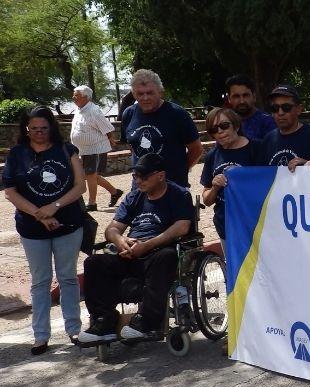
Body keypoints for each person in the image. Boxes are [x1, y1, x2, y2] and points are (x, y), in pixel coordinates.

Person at [78, 154, 195, 343]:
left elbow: (182, 226)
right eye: (135, 176)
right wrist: (121, 241)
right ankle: (104, 320)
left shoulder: (179, 194)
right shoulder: (134, 197)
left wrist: (148, 245)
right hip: (131, 251)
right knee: (94, 263)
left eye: (144, 177)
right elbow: (112, 229)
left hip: (158, 250)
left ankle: (148, 321)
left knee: (166, 257)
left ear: (160, 175)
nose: (138, 181)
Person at [2, 107, 86, 355]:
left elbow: (80, 185)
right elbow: (10, 191)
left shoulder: (66, 150)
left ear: (52, 128)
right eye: (34, 129)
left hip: (67, 223)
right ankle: (40, 335)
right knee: (40, 281)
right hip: (32, 227)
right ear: (26, 130)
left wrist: (54, 206)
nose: (39, 133)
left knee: (68, 277)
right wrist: (39, 214)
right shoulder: (17, 154)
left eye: (44, 128)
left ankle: (74, 328)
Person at [121, 69, 202, 187]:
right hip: (140, 187)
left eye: (150, 93)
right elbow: (132, 146)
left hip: (172, 187)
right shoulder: (128, 114)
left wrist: (180, 171)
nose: (145, 98)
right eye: (140, 94)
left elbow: (196, 149)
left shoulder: (177, 114)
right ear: (134, 94)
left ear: (160, 92)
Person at [200, 108, 261, 245]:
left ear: (236, 126)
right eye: (214, 129)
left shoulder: (257, 149)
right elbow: (206, 200)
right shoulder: (212, 156)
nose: (220, 131)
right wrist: (214, 188)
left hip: (255, 225)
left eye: (224, 125)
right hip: (225, 226)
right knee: (233, 267)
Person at [70, 85, 123, 211]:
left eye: (76, 95)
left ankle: (92, 203)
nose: (73, 97)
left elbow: (106, 126)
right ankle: (114, 192)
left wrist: (111, 138)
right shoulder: (79, 109)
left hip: (94, 148)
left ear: (85, 97)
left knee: (90, 174)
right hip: (81, 149)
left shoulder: (94, 111)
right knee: (90, 175)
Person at [257, 85, 310, 170]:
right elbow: (260, 174)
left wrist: (308, 165)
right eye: (275, 108)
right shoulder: (268, 140)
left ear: (299, 109)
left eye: (286, 107)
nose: (280, 112)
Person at [225, 74, 276, 140]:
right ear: (229, 99)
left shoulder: (268, 122)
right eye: (236, 96)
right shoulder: (225, 124)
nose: (242, 101)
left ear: (254, 97)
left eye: (245, 95)